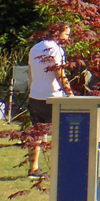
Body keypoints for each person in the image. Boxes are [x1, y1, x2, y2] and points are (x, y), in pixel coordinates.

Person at [26, 25, 72, 178]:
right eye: (66, 34)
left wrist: (32, 90)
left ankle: (33, 168)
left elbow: (30, 72)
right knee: (61, 134)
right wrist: (70, 93)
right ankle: (61, 168)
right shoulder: (56, 49)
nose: (68, 38)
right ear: (57, 33)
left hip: (35, 96)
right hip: (52, 98)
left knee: (37, 134)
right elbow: (59, 73)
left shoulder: (34, 48)